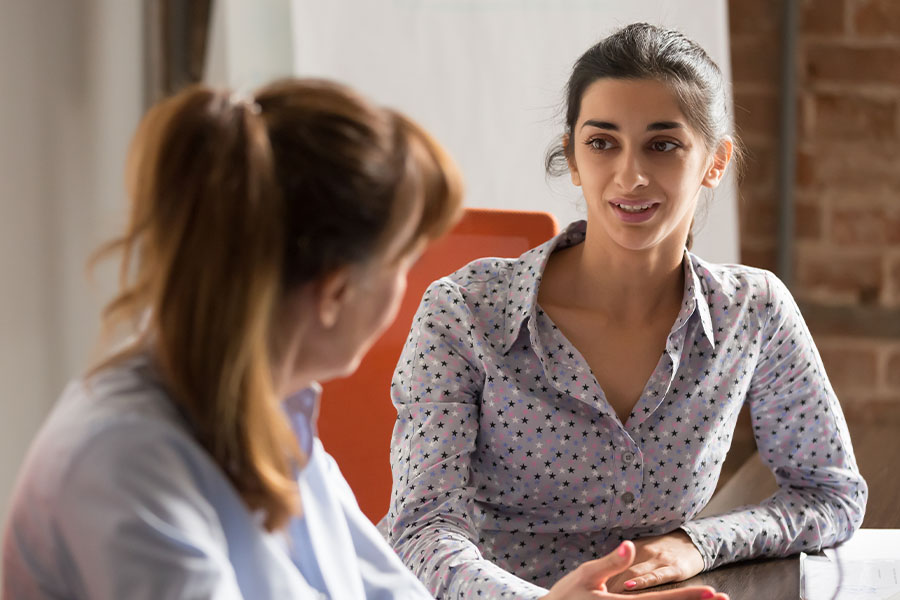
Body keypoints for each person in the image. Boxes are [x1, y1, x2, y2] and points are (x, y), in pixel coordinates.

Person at [1, 77, 728, 600]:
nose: (412, 290)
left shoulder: (276, 421)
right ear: (335, 290)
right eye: (402, 263)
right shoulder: (124, 463)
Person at [382, 22, 868, 599]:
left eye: (662, 145)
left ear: (714, 161)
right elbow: (421, 527)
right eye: (601, 142)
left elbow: (830, 494)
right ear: (572, 156)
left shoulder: (753, 312)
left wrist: (698, 542)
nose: (630, 175)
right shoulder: (463, 313)